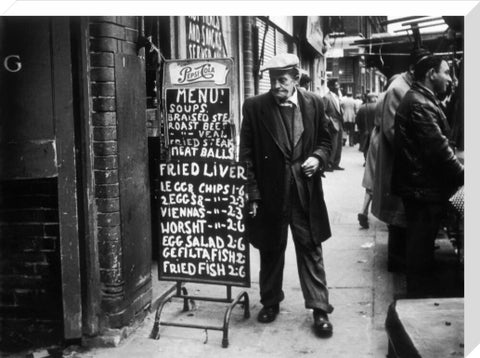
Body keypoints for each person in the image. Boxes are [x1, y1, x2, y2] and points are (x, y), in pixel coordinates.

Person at [239, 53, 334, 337]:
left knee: (311, 248)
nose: (277, 86)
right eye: (272, 80)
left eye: (282, 80)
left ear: (295, 78)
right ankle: (270, 301)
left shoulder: (314, 103)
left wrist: (318, 157)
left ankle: (319, 309)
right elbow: (246, 156)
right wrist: (253, 194)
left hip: (304, 193)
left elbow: (327, 140)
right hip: (270, 193)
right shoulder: (255, 107)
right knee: (270, 248)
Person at [391, 55, 464, 297]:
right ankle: (418, 299)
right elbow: (439, 150)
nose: (451, 79)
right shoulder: (420, 104)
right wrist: (464, 175)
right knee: (420, 249)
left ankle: (419, 293)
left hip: (420, 187)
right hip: (423, 189)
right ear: (431, 73)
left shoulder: (421, 99)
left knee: (419, 247)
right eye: (446, 73)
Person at [371, 47, 430, 272]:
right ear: (414, 68)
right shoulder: (398, 89)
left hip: (403, 164)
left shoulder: (410, 86)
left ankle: (401, 261)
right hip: (397, 164)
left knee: (402, 218)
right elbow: (392, 131)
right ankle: (397, 264)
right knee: (397, 218)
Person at [323, 78, 344, 171]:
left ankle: (336, 163)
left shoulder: (336, 96)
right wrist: (329, 121)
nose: (338, 87)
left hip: (339, 123)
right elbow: (323, 112)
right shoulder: (326, 97)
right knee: (333, 144)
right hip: (332, 124)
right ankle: (329, 164)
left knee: (339, 145)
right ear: (330, 87)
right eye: (336, 85)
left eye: (338, 85)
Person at [355, 93, 378, 162]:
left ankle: (366, 160)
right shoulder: (378, 106)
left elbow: (357, 120)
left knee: (366, 146)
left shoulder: (362, 107)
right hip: (376, 130)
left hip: (365, 130)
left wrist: (360, 128)